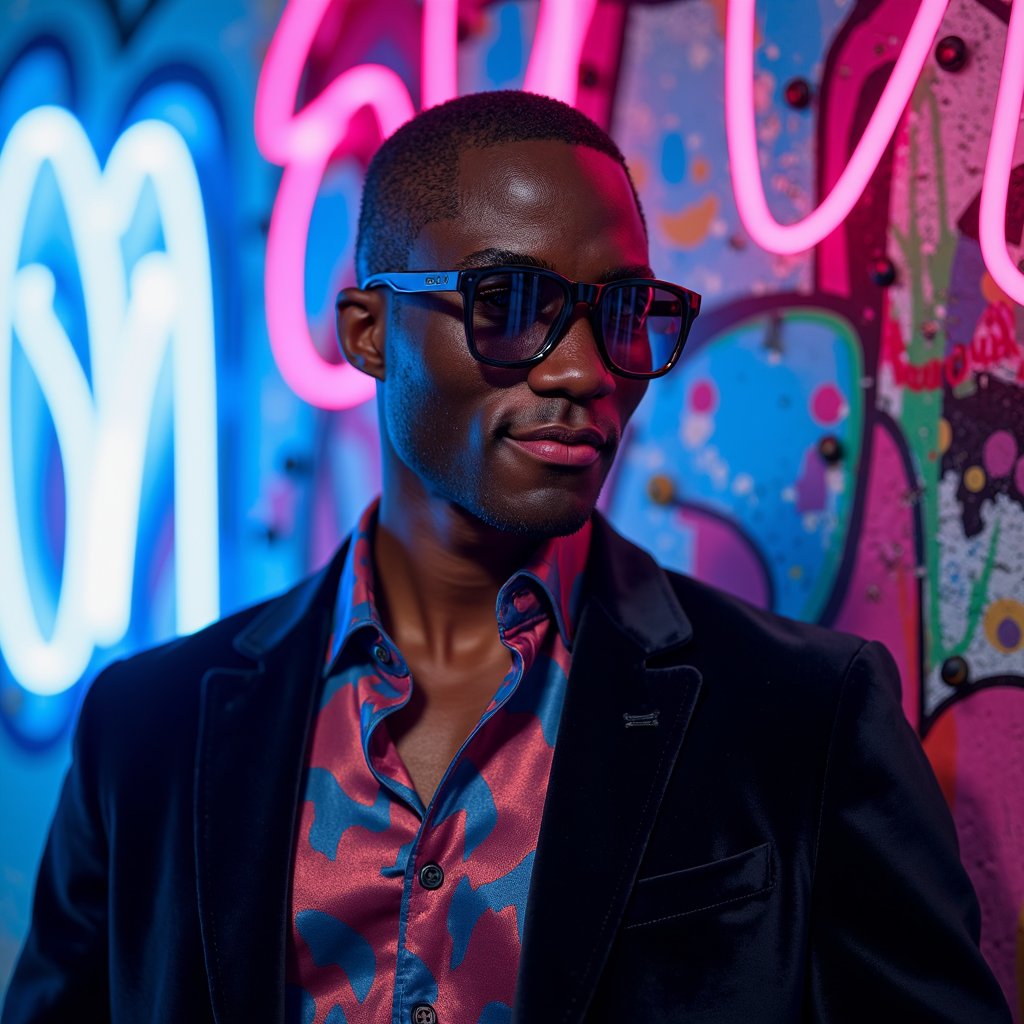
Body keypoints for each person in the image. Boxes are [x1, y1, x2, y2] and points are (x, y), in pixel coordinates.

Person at [3, 90, 1011, 1024]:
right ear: (369, 333)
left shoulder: (803, 716)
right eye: (508, 302)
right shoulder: (148, 729)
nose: (582, 371)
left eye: (621, 313)